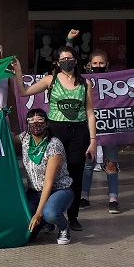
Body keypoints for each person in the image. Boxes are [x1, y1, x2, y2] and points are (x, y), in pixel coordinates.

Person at [13, 46, 96, 231]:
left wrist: (93, 140)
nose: (67, 61)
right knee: (50, 173)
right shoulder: (50, 80)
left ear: (76, 59)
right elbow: (24, 92)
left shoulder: (85, 83)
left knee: (75, 174)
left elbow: (90, 112)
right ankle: (49, 216)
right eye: (63, 59)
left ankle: (73, 217)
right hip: (56, 129)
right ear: (57, 63)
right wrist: (18, 71)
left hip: (79, 132)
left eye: (70, 58)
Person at [19, 108, 74, 245]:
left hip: (58, 190)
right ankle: (43, 221)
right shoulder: (25, 138)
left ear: (47, 123)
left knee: (50, 212)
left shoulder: (54, 145)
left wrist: (38, 214)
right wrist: (0, 116)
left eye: (40, 120)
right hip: (34, 192)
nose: (35, 123)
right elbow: (5, 135)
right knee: (25, 231)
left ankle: (63, 227)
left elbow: (48, 183)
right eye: (31, 120)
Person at [78, 49, 121, 214]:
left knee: (110, 163)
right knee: (88, 163)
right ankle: (84, 197)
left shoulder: (116, 80)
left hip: (109, 126)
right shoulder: (82, 81)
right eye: (95, 63)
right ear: (89, 65)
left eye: (101, 63)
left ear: (107, 64)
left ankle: (113, 198)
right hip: (90, 127)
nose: (98, 66)